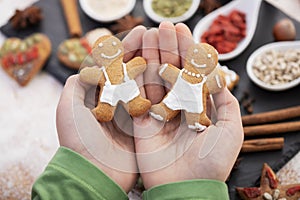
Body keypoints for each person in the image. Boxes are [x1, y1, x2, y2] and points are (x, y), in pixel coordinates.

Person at [31, 21, 243, 200]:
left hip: (180, 98)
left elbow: (140, 67)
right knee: (150, 105)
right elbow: (143, 69)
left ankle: (171, 112)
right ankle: (155, 109)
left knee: (150, 103)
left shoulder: (200, 80)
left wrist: (86, 178)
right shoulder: (105, 72)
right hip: (141, 93)